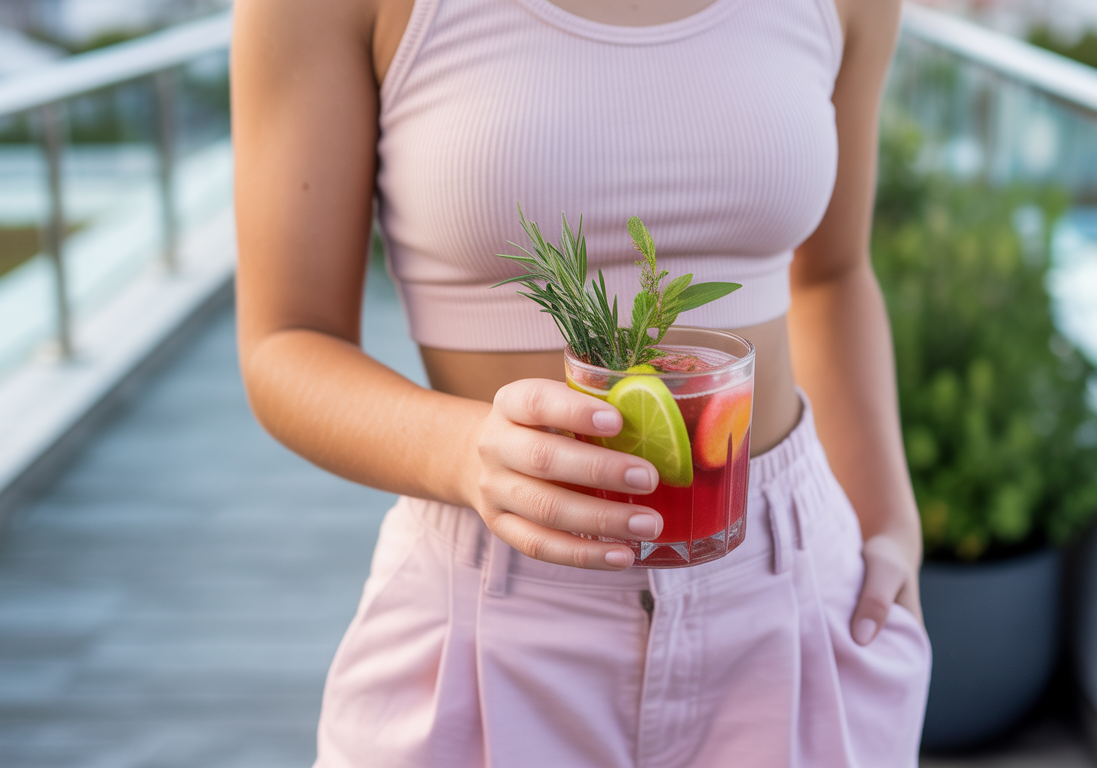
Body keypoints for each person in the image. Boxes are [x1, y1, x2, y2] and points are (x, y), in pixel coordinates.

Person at [231, 0, 930, 764]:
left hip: (784, 590)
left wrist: (889, 520)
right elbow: (285, 340)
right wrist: (465, 451)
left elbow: (833, 274)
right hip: (494, 599)